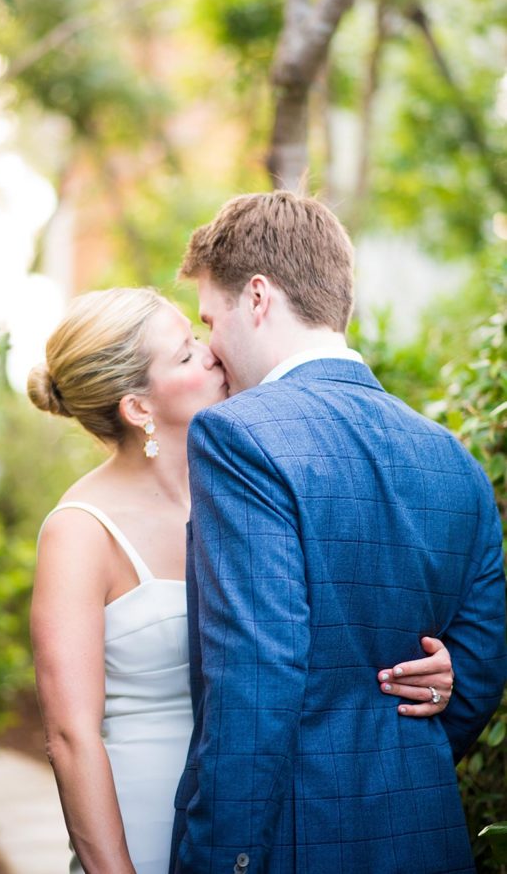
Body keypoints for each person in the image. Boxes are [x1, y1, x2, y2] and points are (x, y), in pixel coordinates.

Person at [28, 287, 456, 874]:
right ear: (137, 408)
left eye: (197, 338)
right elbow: (70, 737)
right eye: (183, 355)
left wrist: (434, 672)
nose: (210, 354)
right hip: (140, 826)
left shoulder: (247, 488)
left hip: (260, 823)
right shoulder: (79, 531)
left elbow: (338, 629)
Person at [169, 190, 507, 874]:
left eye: (210, 318)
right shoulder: (454, 460)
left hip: (293, 845)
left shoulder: (237, 436)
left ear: (257, 298)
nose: (210, 345)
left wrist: (219, 861)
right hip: (427, 837)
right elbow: (476, 674)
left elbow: (253, 681)